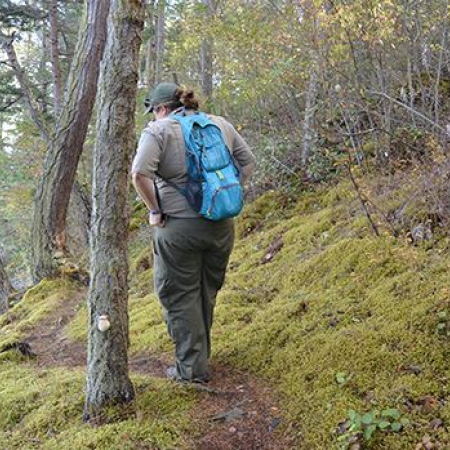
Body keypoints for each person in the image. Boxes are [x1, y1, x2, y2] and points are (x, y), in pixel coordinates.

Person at [131, 82, 256, 383]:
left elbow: (139, 174)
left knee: (179, 295)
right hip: (221, 225)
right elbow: (248, 162)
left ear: (161, 109)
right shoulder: (219, 124)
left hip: (178, 228)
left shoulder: (158, 132)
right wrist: (225, 193)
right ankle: (199, 356)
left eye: (154, 111)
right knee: (205, 291)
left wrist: (155, 209)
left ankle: (190, 371)